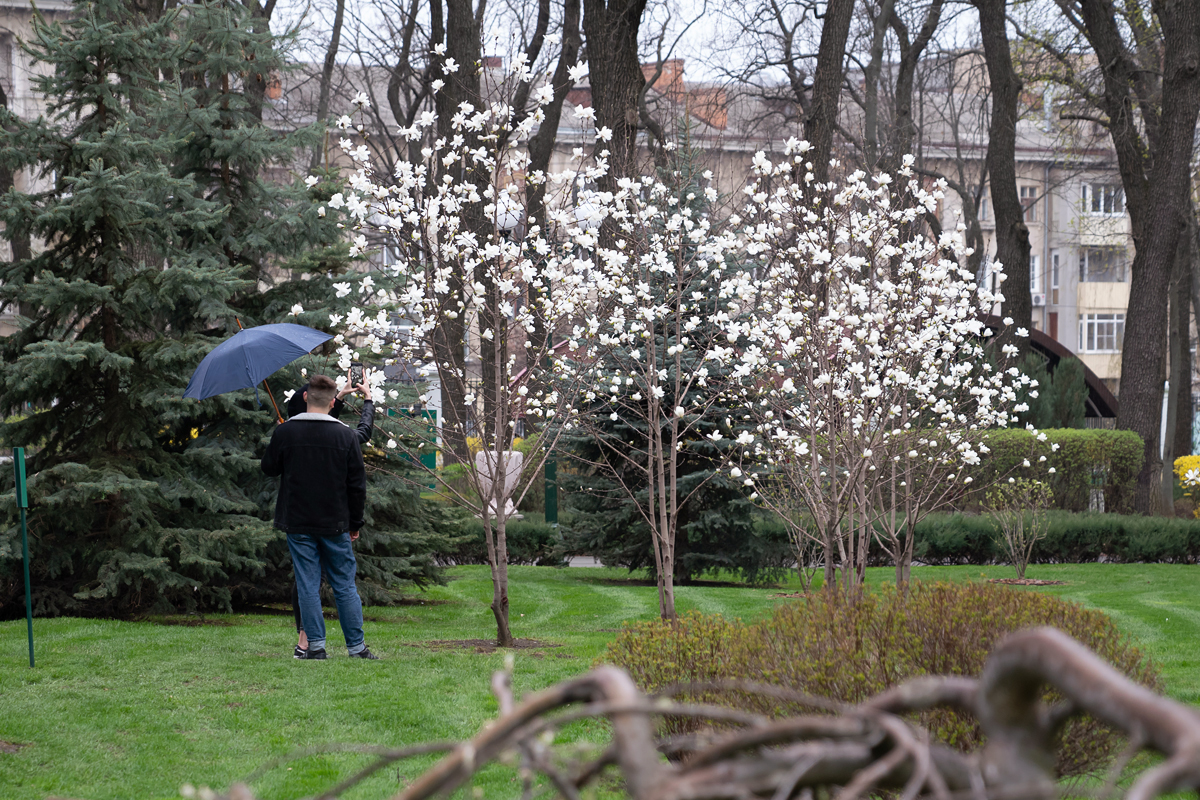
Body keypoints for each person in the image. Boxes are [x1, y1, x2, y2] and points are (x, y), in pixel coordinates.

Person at [262, 374, 378, 660]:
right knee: (344, 585)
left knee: (307, 584)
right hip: (335, 522)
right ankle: (356, 648)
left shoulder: (285, 432)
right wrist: (355, 523)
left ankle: (315, 647)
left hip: (297, 521)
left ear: (305, 397)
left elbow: (269, 468)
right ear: (332, 402)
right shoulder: (345, 436)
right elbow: (357, 485)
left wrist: (281, 440)